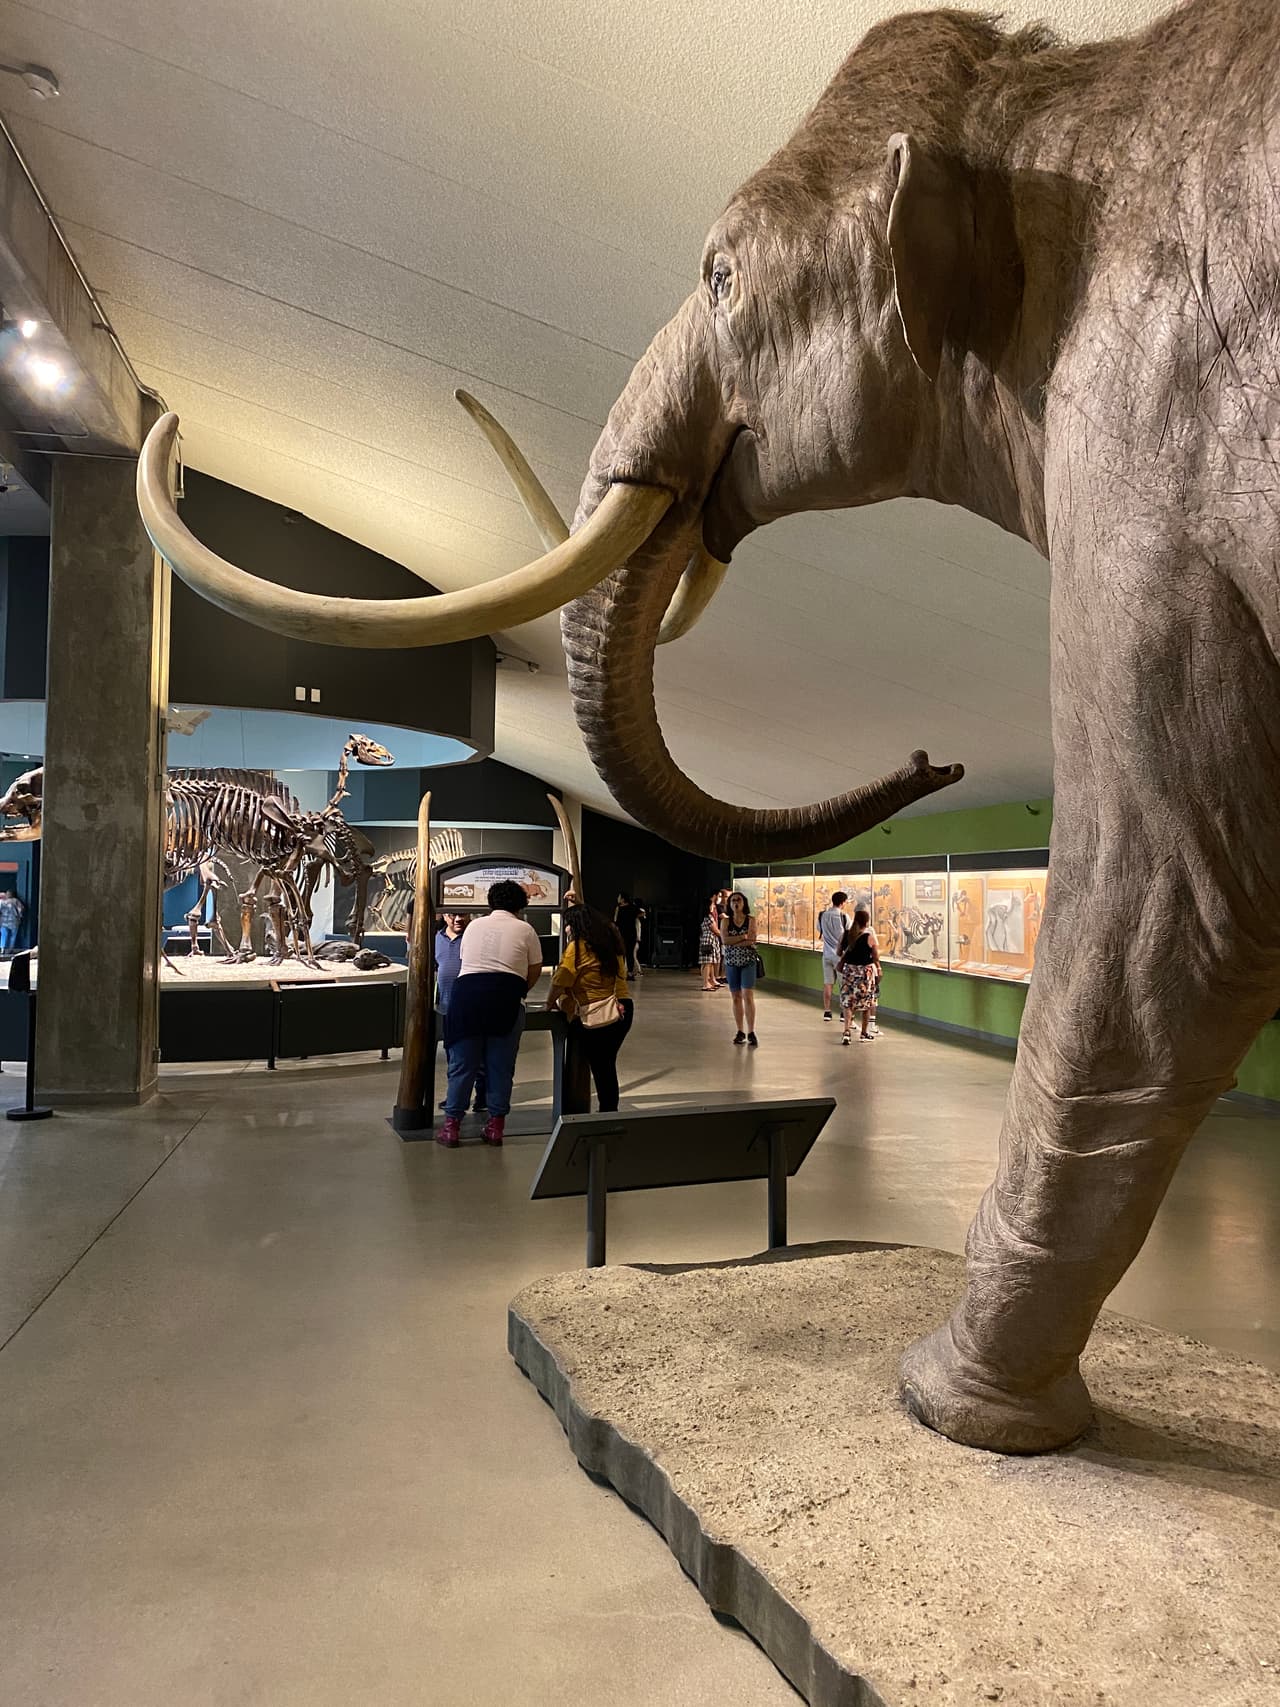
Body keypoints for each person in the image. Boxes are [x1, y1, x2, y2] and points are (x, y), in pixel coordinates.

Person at [437, 881, 542, 1148]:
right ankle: (495, 1128)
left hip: (466, 998)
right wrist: (515, 991)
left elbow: (465, 961)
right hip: (505, 999)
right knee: (500, 1067)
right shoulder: (526, 929)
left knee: (461, 1066)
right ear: (522, 904)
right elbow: (534, 971)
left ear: (490, 902)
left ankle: (451, 1128)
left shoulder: (474, 926)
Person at [546, 904, 633, 1111]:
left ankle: (603, 1113)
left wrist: (549, 1003)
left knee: (600, 1067)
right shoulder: (611, 943)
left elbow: (562, 979)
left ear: (576, 925)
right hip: (622, 1008)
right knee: (606, 1065)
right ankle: (609, 1110)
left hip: (596, 1012)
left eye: (568, 924)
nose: (566, 929)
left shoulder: (577, 947)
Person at [434, 910, 485, 1115]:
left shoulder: (475, 937)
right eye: (451, 915)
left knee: (478, 1057)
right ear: (443, 916)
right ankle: (455, 1096)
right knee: (453, 1055)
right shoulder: (437, 938)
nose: (457, 919)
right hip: (447, 1007)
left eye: (462, 914)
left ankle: (482, 1096)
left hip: (472, 1006)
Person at [717, 889, 759, 1046]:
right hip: (731, 962)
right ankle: (740, 1030)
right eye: (733, 900)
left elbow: (752, 940)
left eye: (739, 900)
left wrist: (735, 940)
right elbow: (725, 940)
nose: (735, 903)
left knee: (748, 995)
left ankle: (751, 1031)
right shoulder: (725, 921)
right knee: (736, 997)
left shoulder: (751, 920)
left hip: (748, 961)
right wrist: (742, 937)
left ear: (744, 903)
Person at [838, 906, 881, 1043]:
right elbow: (875, 957)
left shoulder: (846, 934)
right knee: (866, 1003)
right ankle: (864, 1033)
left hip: (849, 972)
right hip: (864, 973)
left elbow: (839, 952)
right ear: (866, 922)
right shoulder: (869, 937)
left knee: (848, 1003)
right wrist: (879, 969)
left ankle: (846, 1031)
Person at [817, 890, 851, 1021]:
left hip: (826, 954)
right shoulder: (844, 917)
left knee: (828, 983)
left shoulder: (822, 915)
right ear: (843, 903)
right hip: (840, 956)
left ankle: (827, 1011)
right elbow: (849, 933)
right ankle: (843, 1012)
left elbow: (819, 930)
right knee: (843, 984)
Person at [698, 895, 723, 991]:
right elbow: (715, 930)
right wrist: (725, 936)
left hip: (706, 940)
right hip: (709, 941)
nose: (713, 906)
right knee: (707, 963)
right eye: (711, 905)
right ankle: (705, 984)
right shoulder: (708, 917)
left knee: (708, 963)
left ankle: (708, 982)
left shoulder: (703, 917)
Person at [614, 892, 642, 978]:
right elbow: (641, 913)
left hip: (622, 934)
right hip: (631, 933)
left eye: (619, 897)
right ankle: (630, 972)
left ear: (622, 899)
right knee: (630, 953)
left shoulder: (619, 908)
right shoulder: (633, 907)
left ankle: (622, 971)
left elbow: (616, 922)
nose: (618, 898)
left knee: (621, 953)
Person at [0, 889, 23, 957]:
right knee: (13, 936)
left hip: (3, 921)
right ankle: (10, 949)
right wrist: (20, 916)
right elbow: (20, 909)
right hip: (14, 921)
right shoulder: (16, 901)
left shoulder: (1, 901)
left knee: (4, 935)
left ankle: (3, 948)